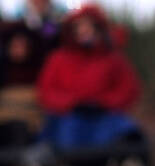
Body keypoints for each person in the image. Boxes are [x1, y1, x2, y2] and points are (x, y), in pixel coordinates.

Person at [36, 5, 142, 149]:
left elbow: (128, 88)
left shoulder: (112, 59)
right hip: (68, 118)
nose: (84, 30)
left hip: (105, 117)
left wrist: (103, 102)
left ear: (98, 28)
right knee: (65, 133)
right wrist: (73, 103)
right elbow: (46, 91)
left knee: (125, 132)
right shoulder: (58, 59)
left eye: (88, 25)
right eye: (79, 26)